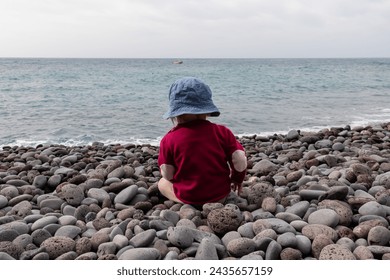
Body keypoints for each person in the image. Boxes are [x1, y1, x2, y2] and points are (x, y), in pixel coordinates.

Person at [157, 76, 247, 205]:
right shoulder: (222, 132)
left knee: (162, 183)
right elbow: (239, 159)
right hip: (220, 195)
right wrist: (237, 179)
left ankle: (190, 201)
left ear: (175, 112)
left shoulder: (169, 139)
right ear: (206, 108)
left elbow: (167, 172)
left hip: (189, 197)